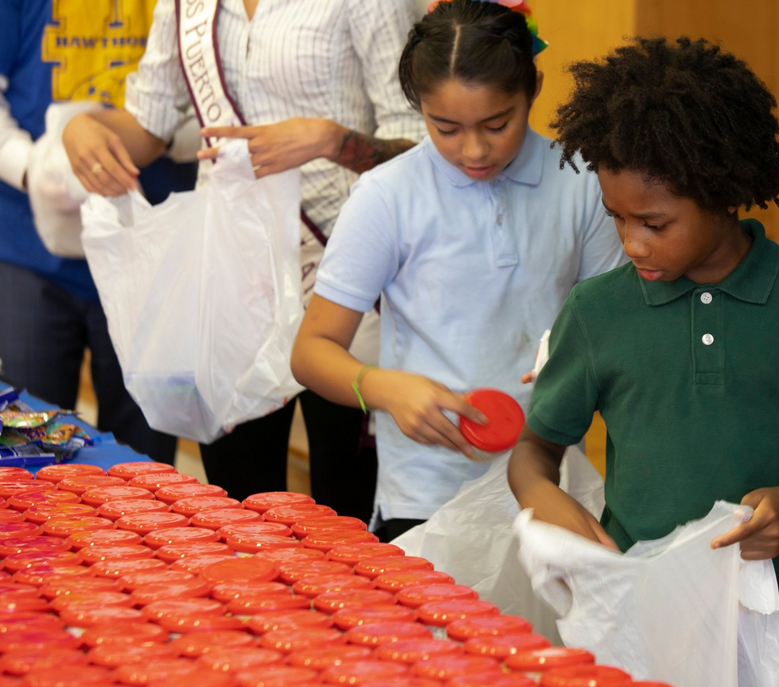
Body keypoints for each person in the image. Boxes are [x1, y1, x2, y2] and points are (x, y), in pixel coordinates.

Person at [506, 37, 779, 687]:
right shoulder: (597, 311)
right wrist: (550, 503)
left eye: (653, 223)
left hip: (776, 641)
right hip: (636, 640)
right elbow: (533, 450)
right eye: (616, 218)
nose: (632, 243)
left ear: (722, 191)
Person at [60, 0, 428, 517]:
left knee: (350, 506)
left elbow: (423, 143)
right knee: (238, 505)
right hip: (235, 279)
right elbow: (151, 127)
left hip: (349, 274)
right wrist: (84, 129)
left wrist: (329, 140)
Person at [290, 0, 623, 541]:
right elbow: (311, 351)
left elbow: (611, 326)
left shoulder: (582, 181)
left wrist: (583, 362)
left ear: (533, 87)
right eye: (444, 127)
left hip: (549, 478)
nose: (473, 150)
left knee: (540, 627)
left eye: (497, 124)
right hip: (426, 492)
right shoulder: (387, 196)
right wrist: (382, 387)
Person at [0, 0, 196, 464]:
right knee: (29, 446)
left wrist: (162, 137)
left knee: (143, 456)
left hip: (155, 247)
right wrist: (35, 170)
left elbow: (218, 104)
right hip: (31, 252)